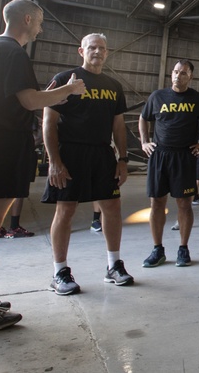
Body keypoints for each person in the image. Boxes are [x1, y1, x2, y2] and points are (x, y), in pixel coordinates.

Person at [0, 0, 86, 334]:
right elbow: (29, 101)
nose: (40, 28)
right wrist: (67, 90)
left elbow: (23, 97)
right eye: (38, 22)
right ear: (27, 19)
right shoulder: (12, 52)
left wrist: (50, 93)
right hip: (3, 145)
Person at [41, 33, 134, 295]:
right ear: (81, 51)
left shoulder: (114, 86)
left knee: (112, 208)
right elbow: (48, 121)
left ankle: (114, 265)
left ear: (107, 53)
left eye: (102, 48)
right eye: (92, 47)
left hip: (102, 154)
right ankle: (59, 271)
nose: (97, 52)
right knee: (66, 210)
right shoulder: (64, 80)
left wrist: (123, 159)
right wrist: (54, 161)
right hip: (70, 153)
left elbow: (118, 125)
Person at [138, 60, 199, 269]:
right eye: (175, 72)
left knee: (184, 204)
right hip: (160, 155)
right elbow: (143, 118)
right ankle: (157, 249)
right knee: (157, 203)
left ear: (191, 77)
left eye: (183, 73)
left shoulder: (197, 99)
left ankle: (183, 248)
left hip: (184, 156)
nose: (178, 76)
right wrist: (144, 141)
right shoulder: (157, 96)